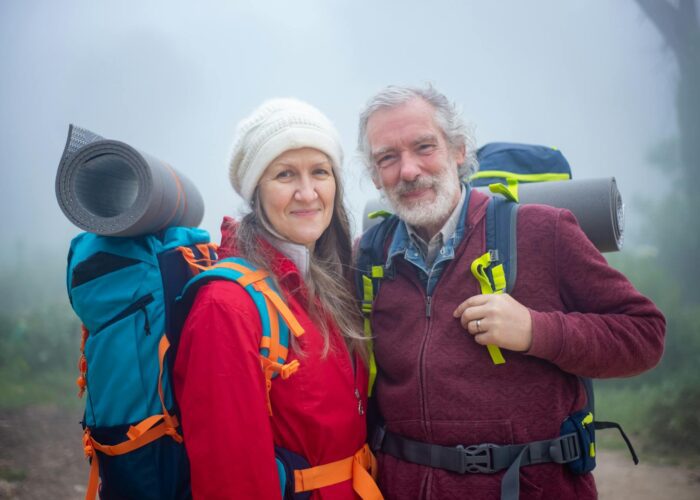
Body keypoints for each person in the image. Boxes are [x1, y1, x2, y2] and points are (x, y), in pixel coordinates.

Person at [354, 84, 666, 499]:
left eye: (424, 147)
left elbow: (645, 334)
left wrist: (537, 331)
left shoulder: (542, 231)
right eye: (388, 158)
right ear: (375, 174)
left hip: (528, 487)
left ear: (459, 150)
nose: (408, 170)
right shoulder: (366, 258)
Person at [174, 98, 382, 499]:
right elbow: (230, 480)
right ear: (256, 192)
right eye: (285, 175)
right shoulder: (227, 307)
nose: (308, 193)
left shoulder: (327, 282)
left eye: (320, 172)